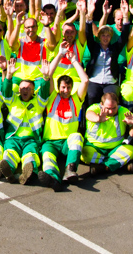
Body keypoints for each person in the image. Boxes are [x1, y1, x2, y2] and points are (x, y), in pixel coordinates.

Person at [39, 42, 89, 189]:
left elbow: (85, 80)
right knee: (47, 158)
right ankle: (53, 179)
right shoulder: (52, 96)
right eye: (63, 87)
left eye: (68, 87)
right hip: (51, 141)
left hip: (67, 142)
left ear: (72, 88)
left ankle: (70, 170)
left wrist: (73, 60)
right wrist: (60, 54)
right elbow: (48, 74)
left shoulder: (76, 99)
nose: (65, 90)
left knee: (78, 137)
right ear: (58, 87)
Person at [0, 58, 47, 184]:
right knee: (9, 154)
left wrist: (46, 78)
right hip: (13, 138)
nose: (25, 90)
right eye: (23, 88)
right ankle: (7, 170)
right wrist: (9, 75)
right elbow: (6, 91)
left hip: (31, 139)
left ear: (33, 91)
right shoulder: (13, 100)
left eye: (28, 88)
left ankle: (28, 173)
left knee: (30, 156)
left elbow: (45, 92)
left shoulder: (39, 102)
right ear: (18, 90)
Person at [82, 92, 133, 175]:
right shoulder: (95, 108)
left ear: (117, 104)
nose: (111, 111)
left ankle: (102, 166)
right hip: (94, 147)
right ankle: (117, 164)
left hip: (115, 148)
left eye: (114, 108)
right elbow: (88, 114)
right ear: (101, 104)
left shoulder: (122, 110)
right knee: (84, 152)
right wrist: (98, 119)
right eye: (108, 108)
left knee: (132, 150)